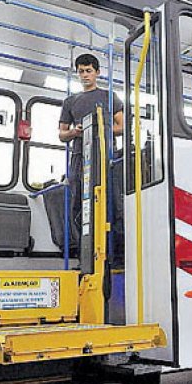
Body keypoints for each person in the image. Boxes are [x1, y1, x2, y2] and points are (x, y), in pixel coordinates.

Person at [58, 53, 124, 257]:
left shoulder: (108, 96)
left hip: (106, 156)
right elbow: (62, 134)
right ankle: (84, 254)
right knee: (78, 204)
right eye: (81, 72)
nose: (85, 75)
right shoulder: (70, 101)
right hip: (80, 156)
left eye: (88, 71)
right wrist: (75, 132)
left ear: (97, 73)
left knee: (112, 203)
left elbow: (121, 127)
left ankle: (116, 254)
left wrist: (99, 128)